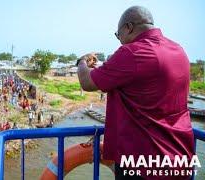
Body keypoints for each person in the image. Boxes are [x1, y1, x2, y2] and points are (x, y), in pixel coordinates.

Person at [77, 6, 194, 180]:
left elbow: (87, 83)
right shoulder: (179, 50)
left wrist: (81, 62)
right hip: (180, 158)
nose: (120, 41)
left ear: (129, 27)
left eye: (118, 35)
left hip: (142, 162)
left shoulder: (132, 52)